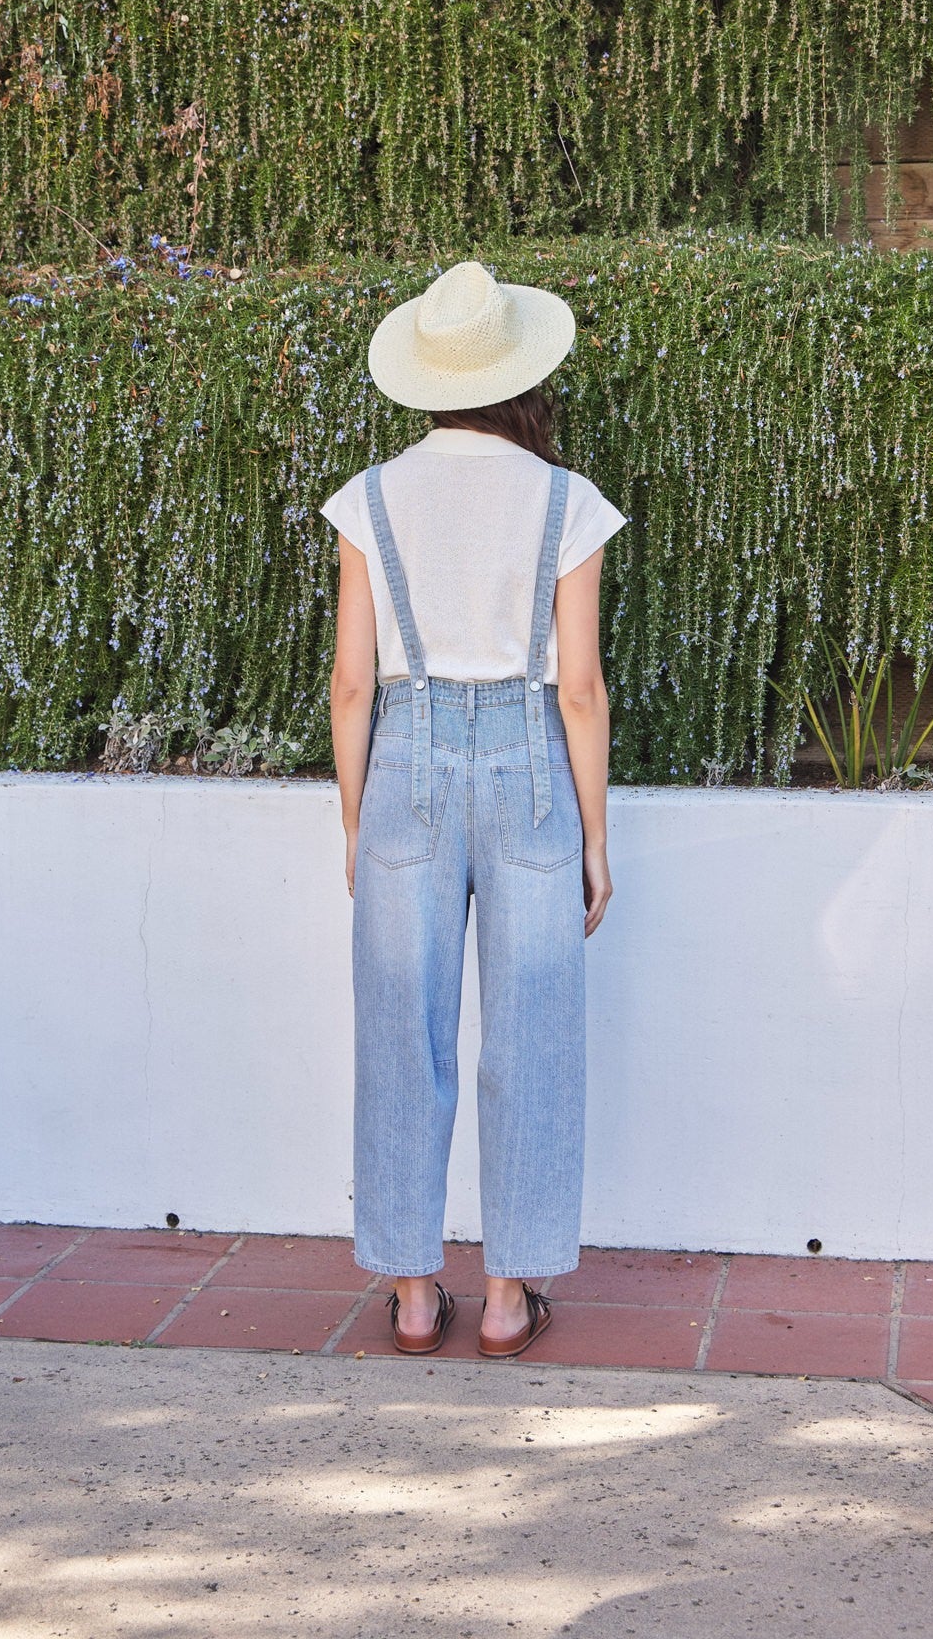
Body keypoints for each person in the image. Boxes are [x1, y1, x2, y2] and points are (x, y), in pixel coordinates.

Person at [319, 259, 627, 1359]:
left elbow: (352, 684)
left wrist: (358, 821)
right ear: (520, 374)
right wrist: (594, 838)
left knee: (402, 1029)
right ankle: (505, 1300)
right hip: (530, 765)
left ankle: (411, 1295)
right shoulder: (565, 501)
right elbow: (580, 688)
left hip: (403, 760)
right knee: (531, 1031)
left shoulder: (370, 497)